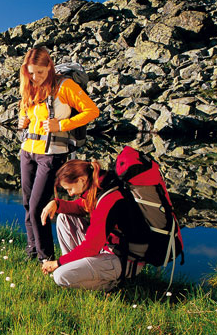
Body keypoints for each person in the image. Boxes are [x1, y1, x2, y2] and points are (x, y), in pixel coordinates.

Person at [17, 47, 99, 263]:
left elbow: (92, 110)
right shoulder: (29, 85)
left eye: (40, 73)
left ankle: (47, 259)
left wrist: (61, 124)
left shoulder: (64, 86)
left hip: (52, 154)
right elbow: (25, 111)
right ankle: (32, 252)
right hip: (27, 151)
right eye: (31, 73)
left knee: (37, 207)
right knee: (27, 204)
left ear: (49, 67)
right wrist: (22, 120)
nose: (35, 77)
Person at [39, 159, 141, 291]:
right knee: (64, 217)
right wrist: (57, 204)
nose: (70, 194)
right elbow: (81, 207)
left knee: (60, 276)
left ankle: (113, 283)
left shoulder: (109, 199)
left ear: (81, 180)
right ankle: (75, 268)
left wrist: (57, 263)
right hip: (107, 250)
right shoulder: (100, 187)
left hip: (123, 260)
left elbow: (91, 247)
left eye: (70, 189)